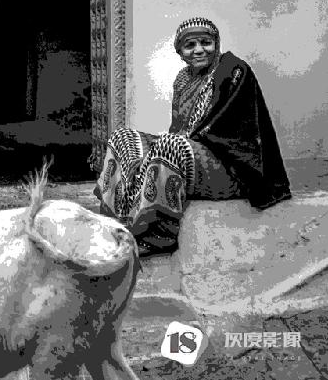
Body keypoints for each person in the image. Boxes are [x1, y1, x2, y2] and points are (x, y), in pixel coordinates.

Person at [93, 17, 292, 256]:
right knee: (123, 138)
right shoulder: (183, 79)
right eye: (190, 45)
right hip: (191, 156)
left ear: (216, 44)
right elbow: (179, 128)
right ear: (180, 52)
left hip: (230, 165)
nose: (198, 50)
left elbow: (221, 130)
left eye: (205, 42)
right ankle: (117, 224)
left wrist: (167, 148)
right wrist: (153, 154)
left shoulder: (234, 70)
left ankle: (159, 234)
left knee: (170, 145)